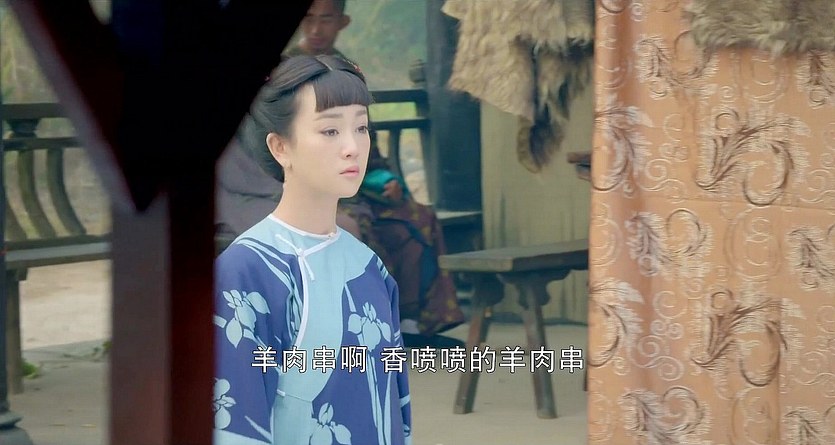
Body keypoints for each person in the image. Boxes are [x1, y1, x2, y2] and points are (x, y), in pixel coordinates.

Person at [217, 0, 465, 347]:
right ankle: (345, 326)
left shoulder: (345, 69)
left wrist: (383, 178)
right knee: (347, 226)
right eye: (310, 19)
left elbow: (360, 143)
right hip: (277, 183)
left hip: (347, 182)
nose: (317, 28)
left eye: (326, 19)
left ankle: (405, 323)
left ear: (341, 23)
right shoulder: (282, 76)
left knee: (415, 219)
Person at [213, 55, 411, 445]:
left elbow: (394, 411)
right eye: (330, 130)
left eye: (361, 127)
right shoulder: (245, 270)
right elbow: (235, 424)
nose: (353, 147)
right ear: (280, 147)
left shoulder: (369, 267)